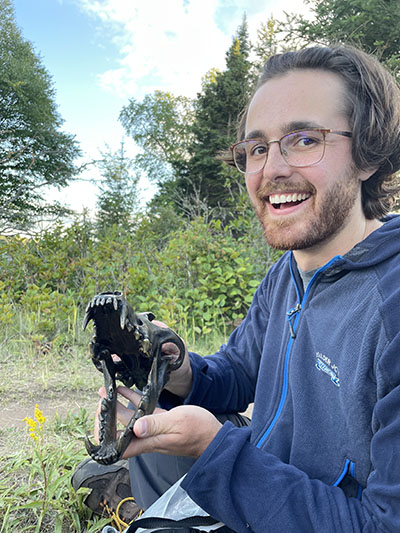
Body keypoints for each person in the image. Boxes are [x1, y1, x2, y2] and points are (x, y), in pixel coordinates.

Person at [75, 44, 400, 532]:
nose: (271, 170)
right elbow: (237, 374)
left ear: (368, 155)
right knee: (150, 447)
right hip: (266, 467)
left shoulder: (390, 304)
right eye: (257, 148)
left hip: (321, 512)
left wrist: (215, 451)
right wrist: (177, 370)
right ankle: (138, 493)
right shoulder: (287, 273)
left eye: (305, 139)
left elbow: (381, 525)